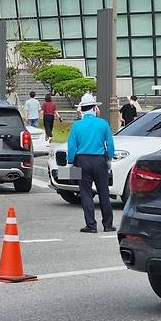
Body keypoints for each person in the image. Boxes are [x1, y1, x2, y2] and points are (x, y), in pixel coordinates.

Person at [67, 93, 116, 234]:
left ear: (81, 110)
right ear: (95, 108)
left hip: (82, 161)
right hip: (100, 161)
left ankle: (91, 225)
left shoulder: (76, 126)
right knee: (104, 193)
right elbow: (110, 145)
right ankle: (108, 225)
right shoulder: (103, 124)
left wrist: (71, 161)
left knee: (86, 193)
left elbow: (71, 147)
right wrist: (109, 158)